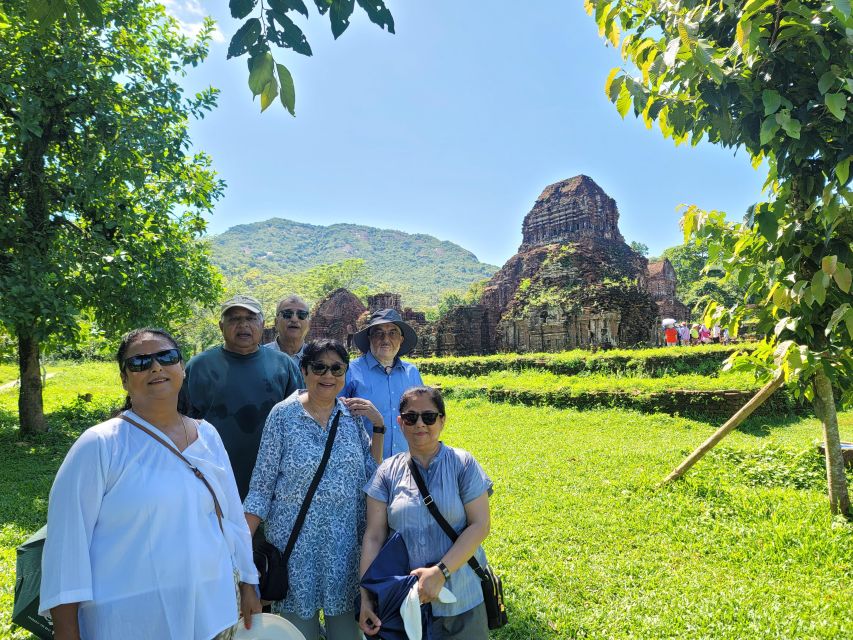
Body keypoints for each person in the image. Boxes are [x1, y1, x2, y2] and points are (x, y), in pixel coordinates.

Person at [40, 328, 261, 640]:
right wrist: (67, 632)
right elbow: (66, 548)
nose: (156, 367)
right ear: (124, 379)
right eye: (140, 362)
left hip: (211, 612)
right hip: (130, 622)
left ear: (182, 368)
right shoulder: (101, 445)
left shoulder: (207, 435)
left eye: (166, 357)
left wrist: (248, 582)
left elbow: (232, 516)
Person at [244, 339, 385, 640]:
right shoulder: (282, 416)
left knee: (347, 634)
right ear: (304, 371)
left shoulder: (350, 417)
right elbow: (260, 488)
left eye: (337, 368)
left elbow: (371, 477)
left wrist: (379, 426)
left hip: (345, 550)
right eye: (319, 367)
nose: (328, 375)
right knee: (298, 634)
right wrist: (241, 558)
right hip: (295, 555)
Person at [359, 386, 493, 640]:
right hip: (407, 602)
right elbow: (374, 536)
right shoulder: (387, 472)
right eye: (411, 417)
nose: (420, 424)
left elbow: (480, 525)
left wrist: (440, 572)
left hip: (462, 599)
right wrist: (366, 596)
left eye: (429, 417)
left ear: (442, 420)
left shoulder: (463, 464)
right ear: (400, 422)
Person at [181, 294, 301, 499]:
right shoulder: (199, 366)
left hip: (272, 484)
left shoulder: (283, 365)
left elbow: (299, 423)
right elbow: (180, 421)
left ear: (262, 324)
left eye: (250, 318)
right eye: (234, 319)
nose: (243, 325)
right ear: (221, 326)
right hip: (212, 481)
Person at [342, 309, 423, 458]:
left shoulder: (412, 373)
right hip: (363, 463)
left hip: (405, 462)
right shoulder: (350, 371)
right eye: (379, 333)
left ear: (401, 339)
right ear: (369, 338)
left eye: (392, 333)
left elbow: (422, 415)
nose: (386, 339)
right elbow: (336, 416)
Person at [264, 294, 311, 371]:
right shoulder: (261, 356)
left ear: (309, 324)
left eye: (302, 314)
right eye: (287, 314)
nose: (294, 319)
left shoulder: (317, 357)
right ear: (276, 322)